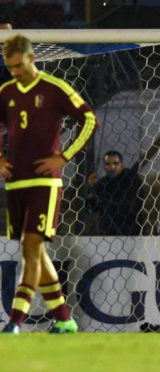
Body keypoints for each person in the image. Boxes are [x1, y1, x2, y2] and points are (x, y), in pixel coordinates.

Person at [0, 34, 99, 334]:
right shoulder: (5, 92)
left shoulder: (55, 88)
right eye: (9, 66)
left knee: (31, 246)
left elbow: (89, 119)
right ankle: (64, 320)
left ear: (32, 58)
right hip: (16, 184)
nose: (14, 71)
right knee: (36, 252)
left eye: (18, 65)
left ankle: (15, 321)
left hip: (46, 182)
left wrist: (64, 157)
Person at [86, 150, 145, 236]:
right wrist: (90, 188)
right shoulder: (102, 183)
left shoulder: (132, 180)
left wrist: (105, 202)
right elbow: (92, 208)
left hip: (131, 231)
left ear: (122, 164)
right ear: (104, 166)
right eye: (108, 164)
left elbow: (132, 205)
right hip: (108, 233)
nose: (112, 167)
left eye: (115, 163)